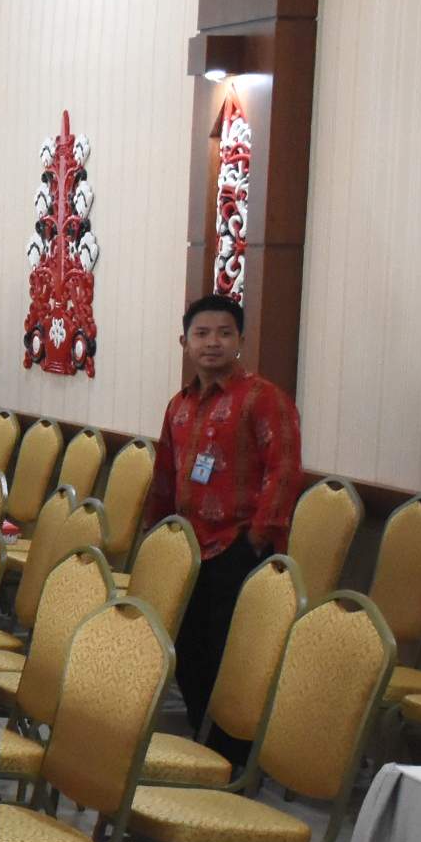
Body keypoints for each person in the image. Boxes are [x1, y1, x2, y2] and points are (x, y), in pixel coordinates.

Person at [143, 294, 303, 752]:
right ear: (185, 342)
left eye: (224, 333)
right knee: (188, 654)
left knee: (231, 660)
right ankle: (202, 744)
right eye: (202, 333)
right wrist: (157, 538)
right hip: (188, 551)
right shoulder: (180, 404)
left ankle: (230, 761)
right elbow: (165, 477)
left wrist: (255, 541)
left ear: (240, 340)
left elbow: (285, 471)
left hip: (238, 551)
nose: (212, 343)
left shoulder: (263, 399)